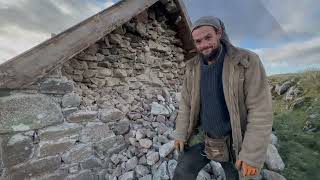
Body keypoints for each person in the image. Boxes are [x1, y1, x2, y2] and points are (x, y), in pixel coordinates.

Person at [172, 16, 273, 180]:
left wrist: (251, 155)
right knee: (182, 173)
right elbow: (186, 105)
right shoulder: (192, 68)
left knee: (233, 176)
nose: (203, 45)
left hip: (234, 142)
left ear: (219, 33)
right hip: (203, 138)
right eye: (198, 41)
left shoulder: (246, 61)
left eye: (208, 37)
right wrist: (180, 133)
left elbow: (260, 111)